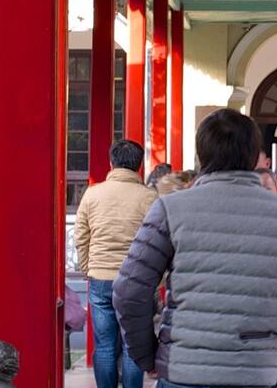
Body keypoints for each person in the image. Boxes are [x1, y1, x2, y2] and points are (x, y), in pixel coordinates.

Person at [115, 110, 277, 387]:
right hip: (256, 370)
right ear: (253, 155)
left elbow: (129, 290)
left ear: (202, 155)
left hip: (184, 368)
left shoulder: (170, 209)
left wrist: (147, 357)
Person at [73, 140, 158, 388]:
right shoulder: (149, 197)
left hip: (100, 277)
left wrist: (89, 267)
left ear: (111, 163)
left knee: (105, 344)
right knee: (134, 344)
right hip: (136, 279)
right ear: (139, 167)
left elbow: (81, 235)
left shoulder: (93, 193)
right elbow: (158, 240)